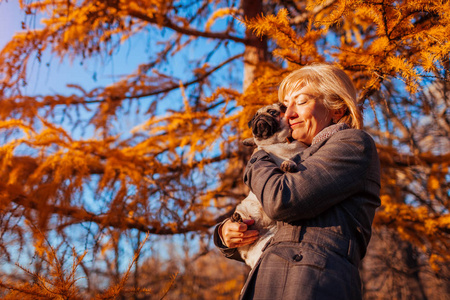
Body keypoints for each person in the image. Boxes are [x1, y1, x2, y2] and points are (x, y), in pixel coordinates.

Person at [214, 63, 381, 299]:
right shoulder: (295, 155)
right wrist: (227, 234)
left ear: (337, 109)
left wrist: (260, 153)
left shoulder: (353, 144)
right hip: (268, 281)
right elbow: (267, 217)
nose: (289, 114)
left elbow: (282, 200)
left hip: (311, 285)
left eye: (301, 102)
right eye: (286, 106)